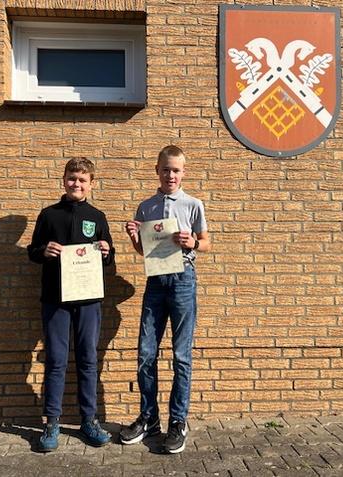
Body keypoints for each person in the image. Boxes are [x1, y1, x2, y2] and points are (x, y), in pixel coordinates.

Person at [120, 145, 210, 453]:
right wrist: (134, 237)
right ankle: (149, 419)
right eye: (166, 169)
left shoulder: (193, 204)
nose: (171, 175)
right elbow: (143, 251)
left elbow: (207, 243)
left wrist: (193, 242)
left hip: (183, 279)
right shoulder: (146, 207)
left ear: (183, 172)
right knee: (146, 353)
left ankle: (178, 421)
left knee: (181, 356)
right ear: (157, 171)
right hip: (156, 282)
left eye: (176, 170)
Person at [27, 157, 114, 451]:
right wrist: (43, 250)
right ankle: (51, 423)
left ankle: (89, 421)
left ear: (91, 184)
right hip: (56, 300)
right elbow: (32, 251)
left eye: (82, 180)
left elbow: (109, 259)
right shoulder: (49, 215)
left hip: (88, 299)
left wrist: (106, 251)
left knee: (88, 359)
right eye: (72, 178)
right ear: (63, 180)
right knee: (56, 360)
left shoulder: (97, 216)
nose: (76, 184)